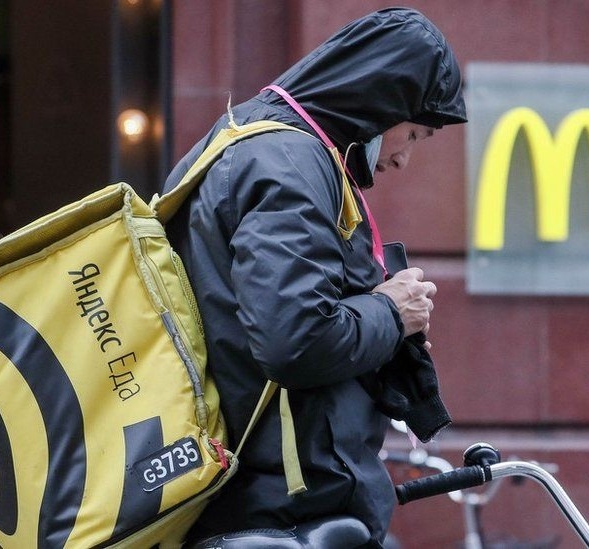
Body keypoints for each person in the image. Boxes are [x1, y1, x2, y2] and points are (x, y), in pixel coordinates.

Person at [162, 7, 467, 547]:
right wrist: (391, 312)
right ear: (380, 103)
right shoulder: (289, 164)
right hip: (285, 513)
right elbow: (297, 340)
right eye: (414, 134)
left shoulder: (250, 142)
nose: (404, 159)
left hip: (259, 503)